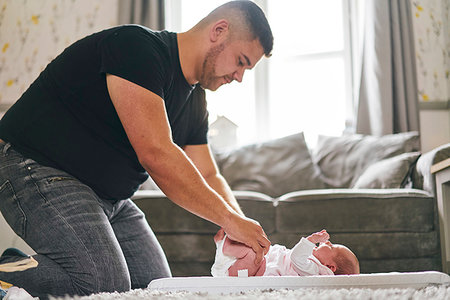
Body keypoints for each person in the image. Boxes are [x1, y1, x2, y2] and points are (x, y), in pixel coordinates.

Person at [0, 1, 273, 298]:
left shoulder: (196, 103)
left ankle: (23, 267)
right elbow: (156, 154)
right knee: (101, 284)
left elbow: (208, 172)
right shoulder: (138, 48)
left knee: (156, 289)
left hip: (108, 198)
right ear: (219, 31)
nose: (240, 77)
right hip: (33, 167)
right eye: (241, 61)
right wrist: (229, 220)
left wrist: (238, 224)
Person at [211, 229, 360, 277]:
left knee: (252, 253)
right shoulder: (312, 264)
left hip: (251, 272)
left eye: (331, 247)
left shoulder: (315, 272)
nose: (327, 242)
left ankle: (224, 247)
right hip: (258, 263)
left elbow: (296, 257)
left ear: (330, 267)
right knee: (256, 242)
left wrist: (312, 239)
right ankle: (224, 247)